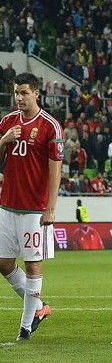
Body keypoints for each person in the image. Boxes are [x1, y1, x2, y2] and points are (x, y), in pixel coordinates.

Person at [0, 72, 63, 341]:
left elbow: (56, 170)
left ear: (37, 93)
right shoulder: (7, 122)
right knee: (3, 263)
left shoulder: (50, 126)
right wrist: (4, 140)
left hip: (35, 209)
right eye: (16, 93)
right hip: (7, 204)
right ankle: (38, 308)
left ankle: (25, 328)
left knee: (34, 265)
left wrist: (50, 207)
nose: (20, 98)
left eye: (24, 92)